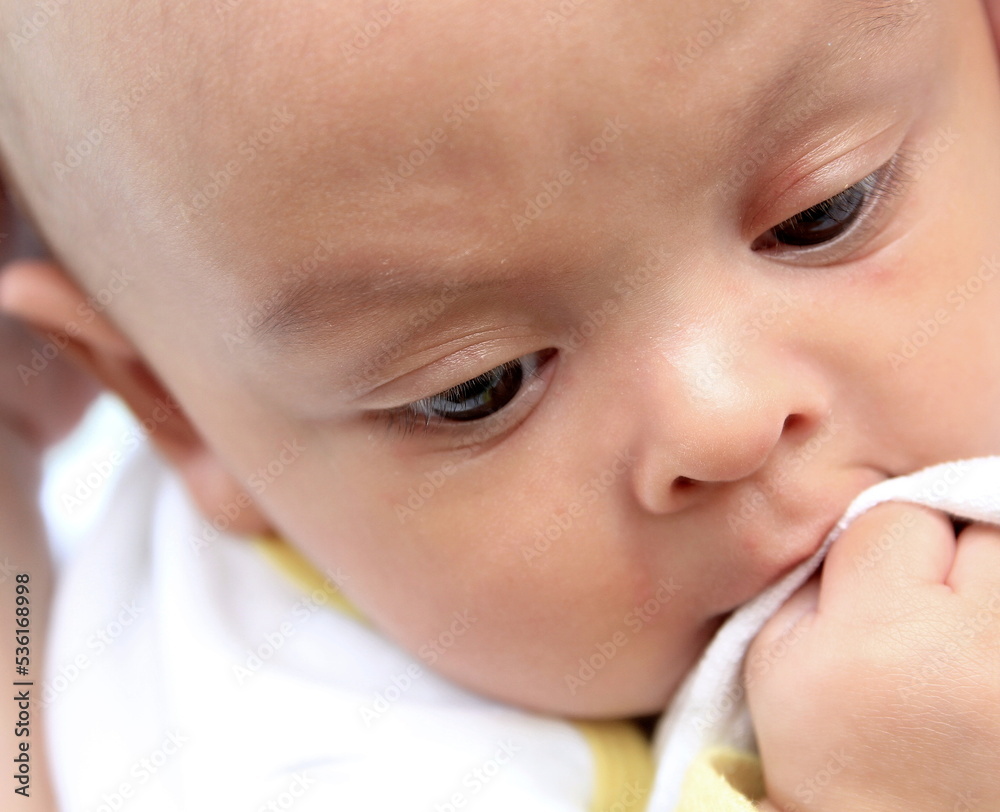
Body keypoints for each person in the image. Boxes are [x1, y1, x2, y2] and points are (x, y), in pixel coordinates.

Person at [2, 0, 1000, 808]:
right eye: (477, 386)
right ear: (172, 408)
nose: (723, 421)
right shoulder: (275, 743)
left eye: (824, 210)